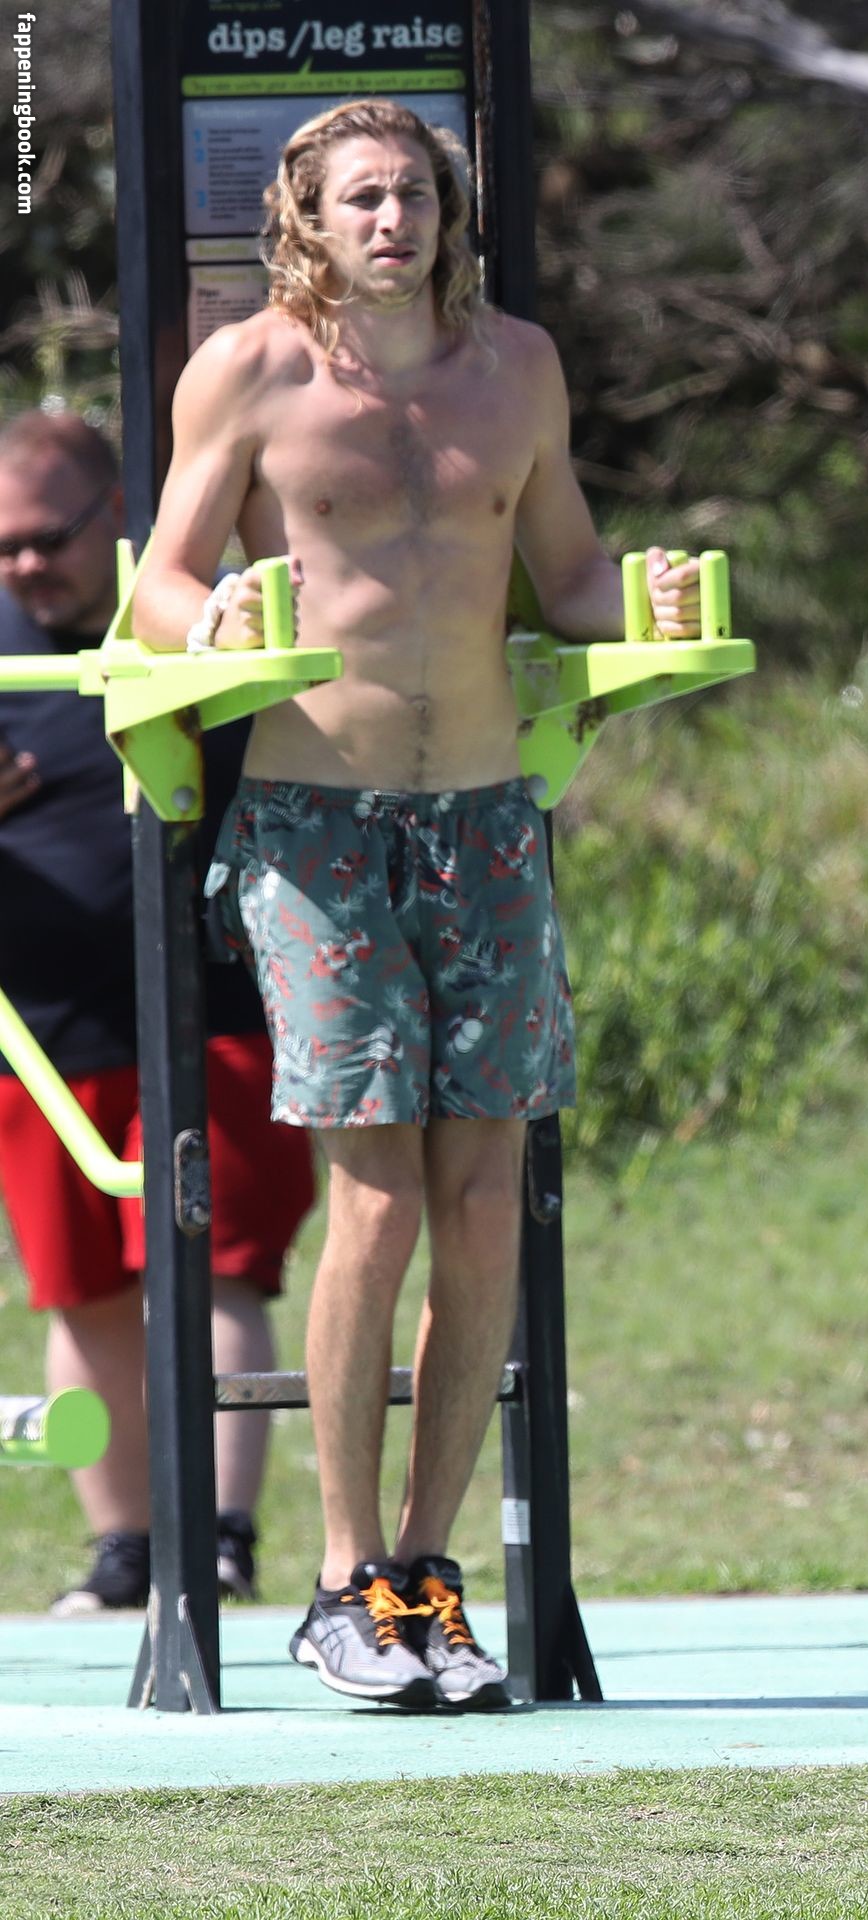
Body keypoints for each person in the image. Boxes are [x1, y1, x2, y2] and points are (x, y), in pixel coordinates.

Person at [132, 99, 696, 1712]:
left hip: (489, 820)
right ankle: (335, 1576)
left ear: (452, 213)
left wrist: (636, 598)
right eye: (363, 197)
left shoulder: (517, 365)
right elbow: (161, 577)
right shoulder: (247, 369)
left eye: (418, 195)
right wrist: (206, 614)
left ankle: (424, 1577)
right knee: (372, 1198)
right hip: (313, 820)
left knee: (485, 1192)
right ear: (306, 219)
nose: (394, 220)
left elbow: (565, 573)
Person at [0, 410, 316, 1614]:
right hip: (43, 1032)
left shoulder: (206, 612)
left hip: (215, 1000)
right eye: (4, 546)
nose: (28, 564)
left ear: (118, 512)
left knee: (218, 1272)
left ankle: (221, 1538)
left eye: (49, 536)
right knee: (77, 1290)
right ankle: (122, 1547)